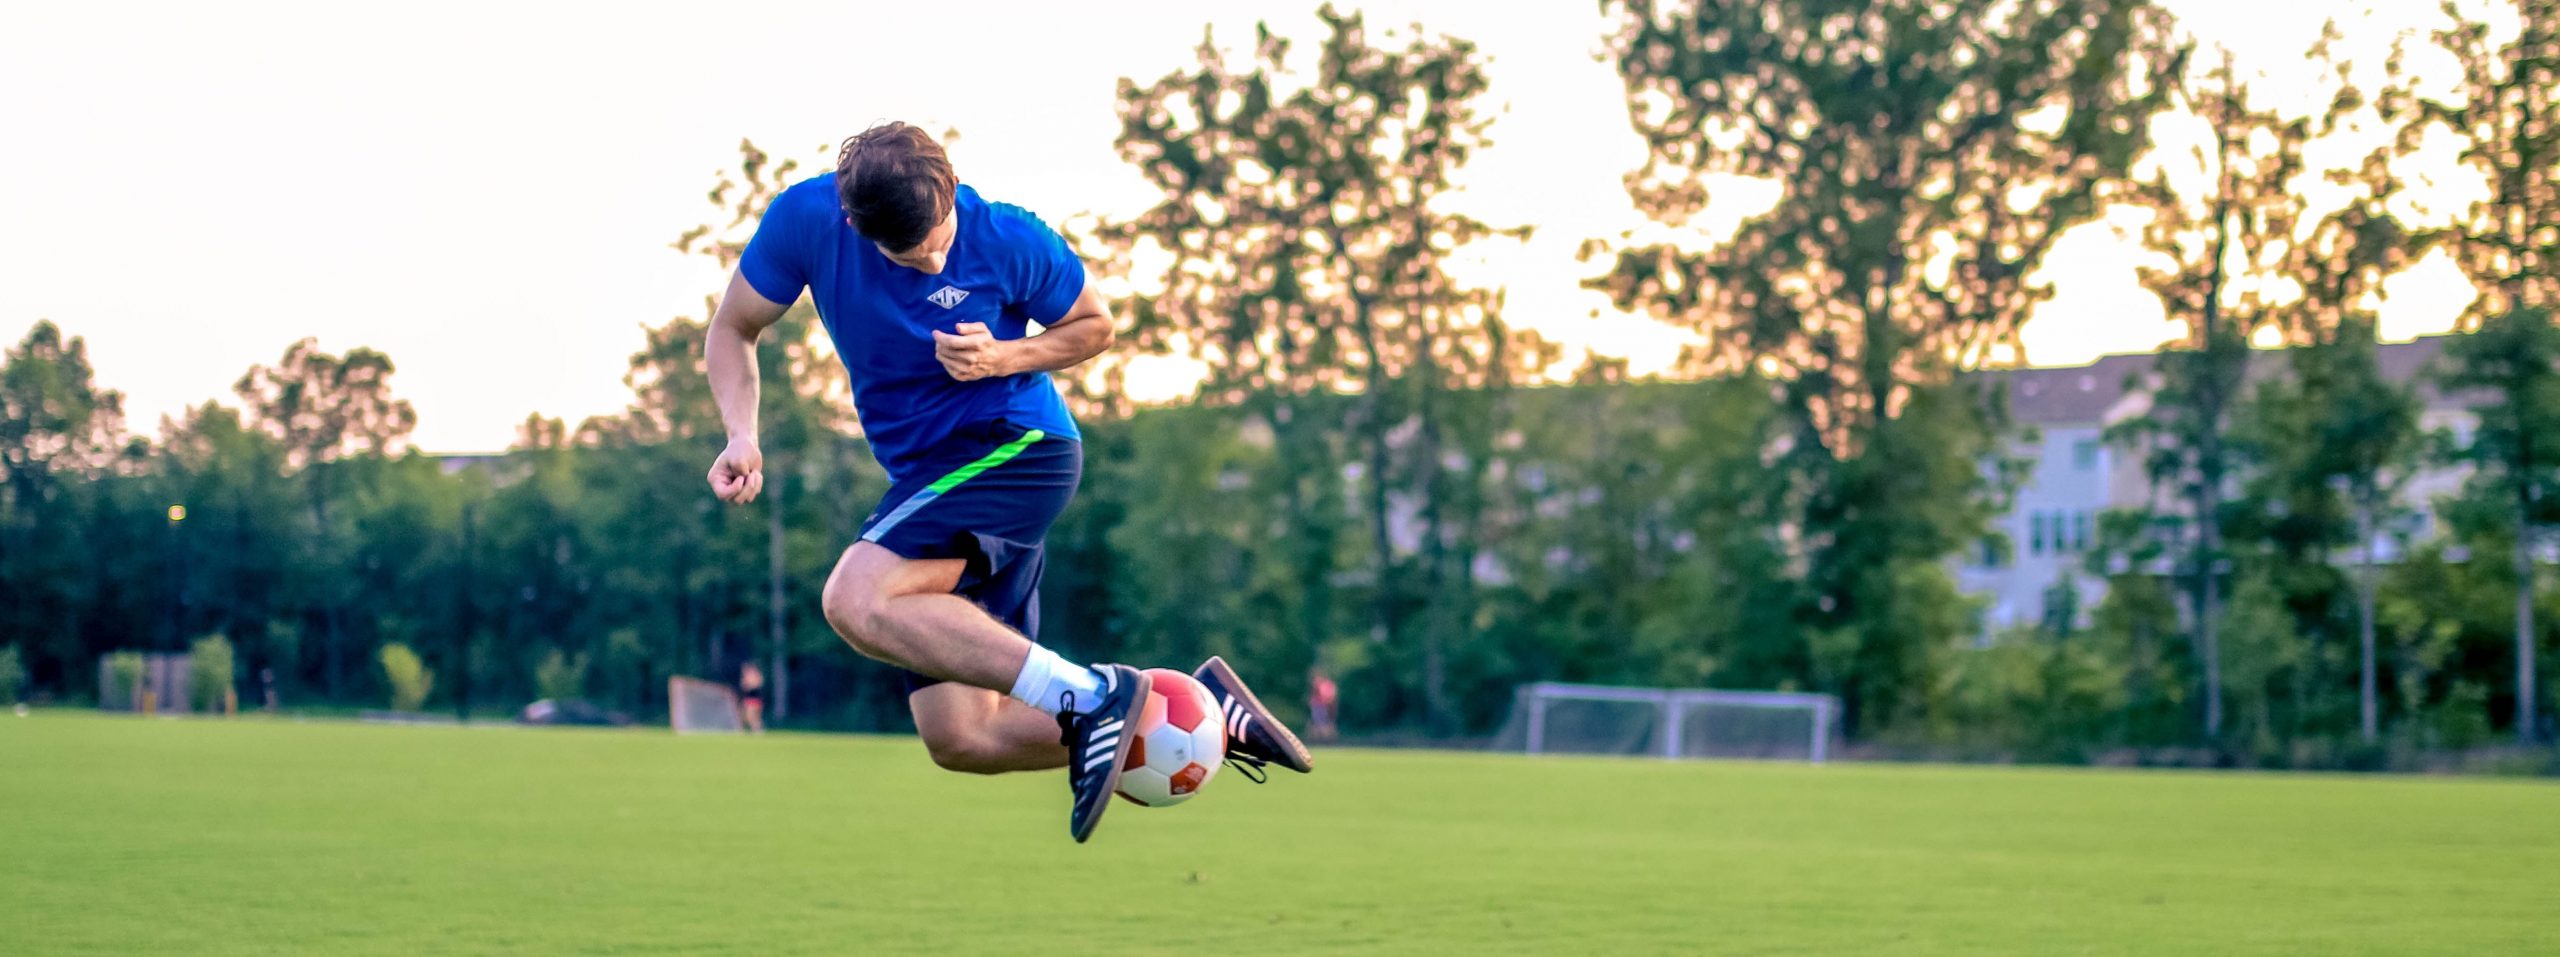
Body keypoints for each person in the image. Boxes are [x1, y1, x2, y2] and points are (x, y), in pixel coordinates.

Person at [703, 122, 1313, 843]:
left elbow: (1094, 326)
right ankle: (1206, 717)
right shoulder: (805, 220)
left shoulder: (1009, 238)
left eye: (938, 238)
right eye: (907, 254)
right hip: (931, 475)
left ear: (952, 188)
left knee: (855, 598)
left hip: (1018, 448)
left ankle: (1097, 695)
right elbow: (733, 329)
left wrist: (1006, 356)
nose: (931, 263)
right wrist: (742, 432)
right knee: (964, 736)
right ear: (852, 223)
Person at [737, 661, 767, 735]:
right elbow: (743, 687)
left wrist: (749, 685)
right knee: (744, 716)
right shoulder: (746, 677)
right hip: (748, 699)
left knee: (752, 717)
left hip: (755, 698)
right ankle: (757, 730)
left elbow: (757, 684)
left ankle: (758, 731)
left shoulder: (756, 675)